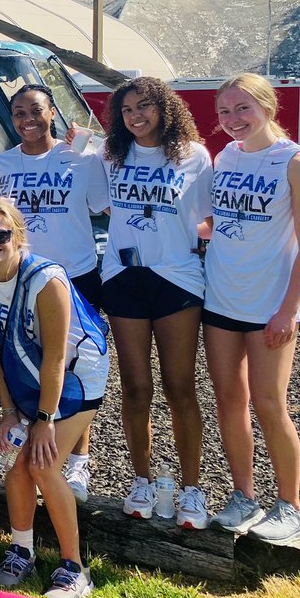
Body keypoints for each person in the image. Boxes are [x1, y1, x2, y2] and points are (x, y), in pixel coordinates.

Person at [0, 199, 109, 598]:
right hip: (25, 374)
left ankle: (75, 569)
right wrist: (9, 410)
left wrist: (44, 420)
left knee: (42, 464)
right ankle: (22, 550)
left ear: (18, 235)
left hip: (76, 378)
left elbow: (57, 356)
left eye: (0, 235)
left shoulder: (47, 279)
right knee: (16, 467)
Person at [204, 73, 300, 543]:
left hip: (270, 303)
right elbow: (223, 220)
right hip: (222, 299)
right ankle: (243, 495)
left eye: (243, 109)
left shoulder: (297, 162)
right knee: (230, 401)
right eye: (225, 112)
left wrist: (289, 310)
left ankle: (290, 504)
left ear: (268, 107)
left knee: (271, 403)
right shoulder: (226, 156)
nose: (233, 120)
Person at [0, 83, 109, 502]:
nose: (27, 119)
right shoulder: (2, 163)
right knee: (32, 362)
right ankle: (38, 442)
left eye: (35, 110)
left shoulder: (80, 156)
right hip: (24, 280)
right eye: (18, 112)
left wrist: (98, 145)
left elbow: (105, 205)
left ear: (52, 112)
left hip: (74, 276)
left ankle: (78, 463)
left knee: (74, 364)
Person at [101, 76, 213, 529]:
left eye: (144, 106)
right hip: (125, 278)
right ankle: (141, 480)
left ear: (165, 108)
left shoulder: (193, 155)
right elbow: (103, 204)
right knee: (134, 387)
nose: (136, 116)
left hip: (177, 279)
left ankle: (192, 489)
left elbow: (207, 217)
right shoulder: (110, 155)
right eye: (127, 110)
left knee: (180, 387)